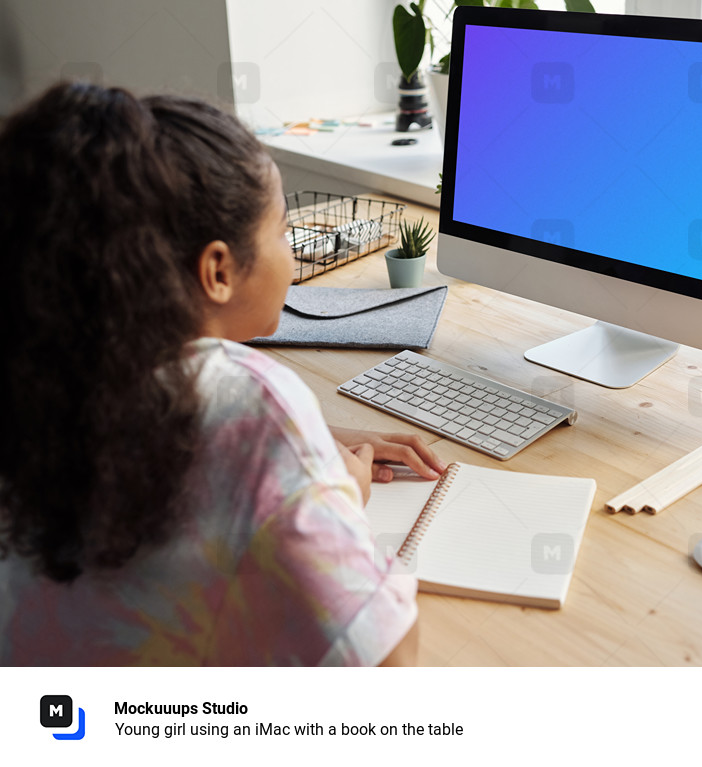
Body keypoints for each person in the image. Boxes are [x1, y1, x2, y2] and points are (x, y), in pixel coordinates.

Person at [0, 82, 446, 665]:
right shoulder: (253, 402)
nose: (290, 252)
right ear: (217, 270)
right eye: (284, 231)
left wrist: (311, 449)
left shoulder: (38, 371)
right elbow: (389, 663)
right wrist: (341, 496)